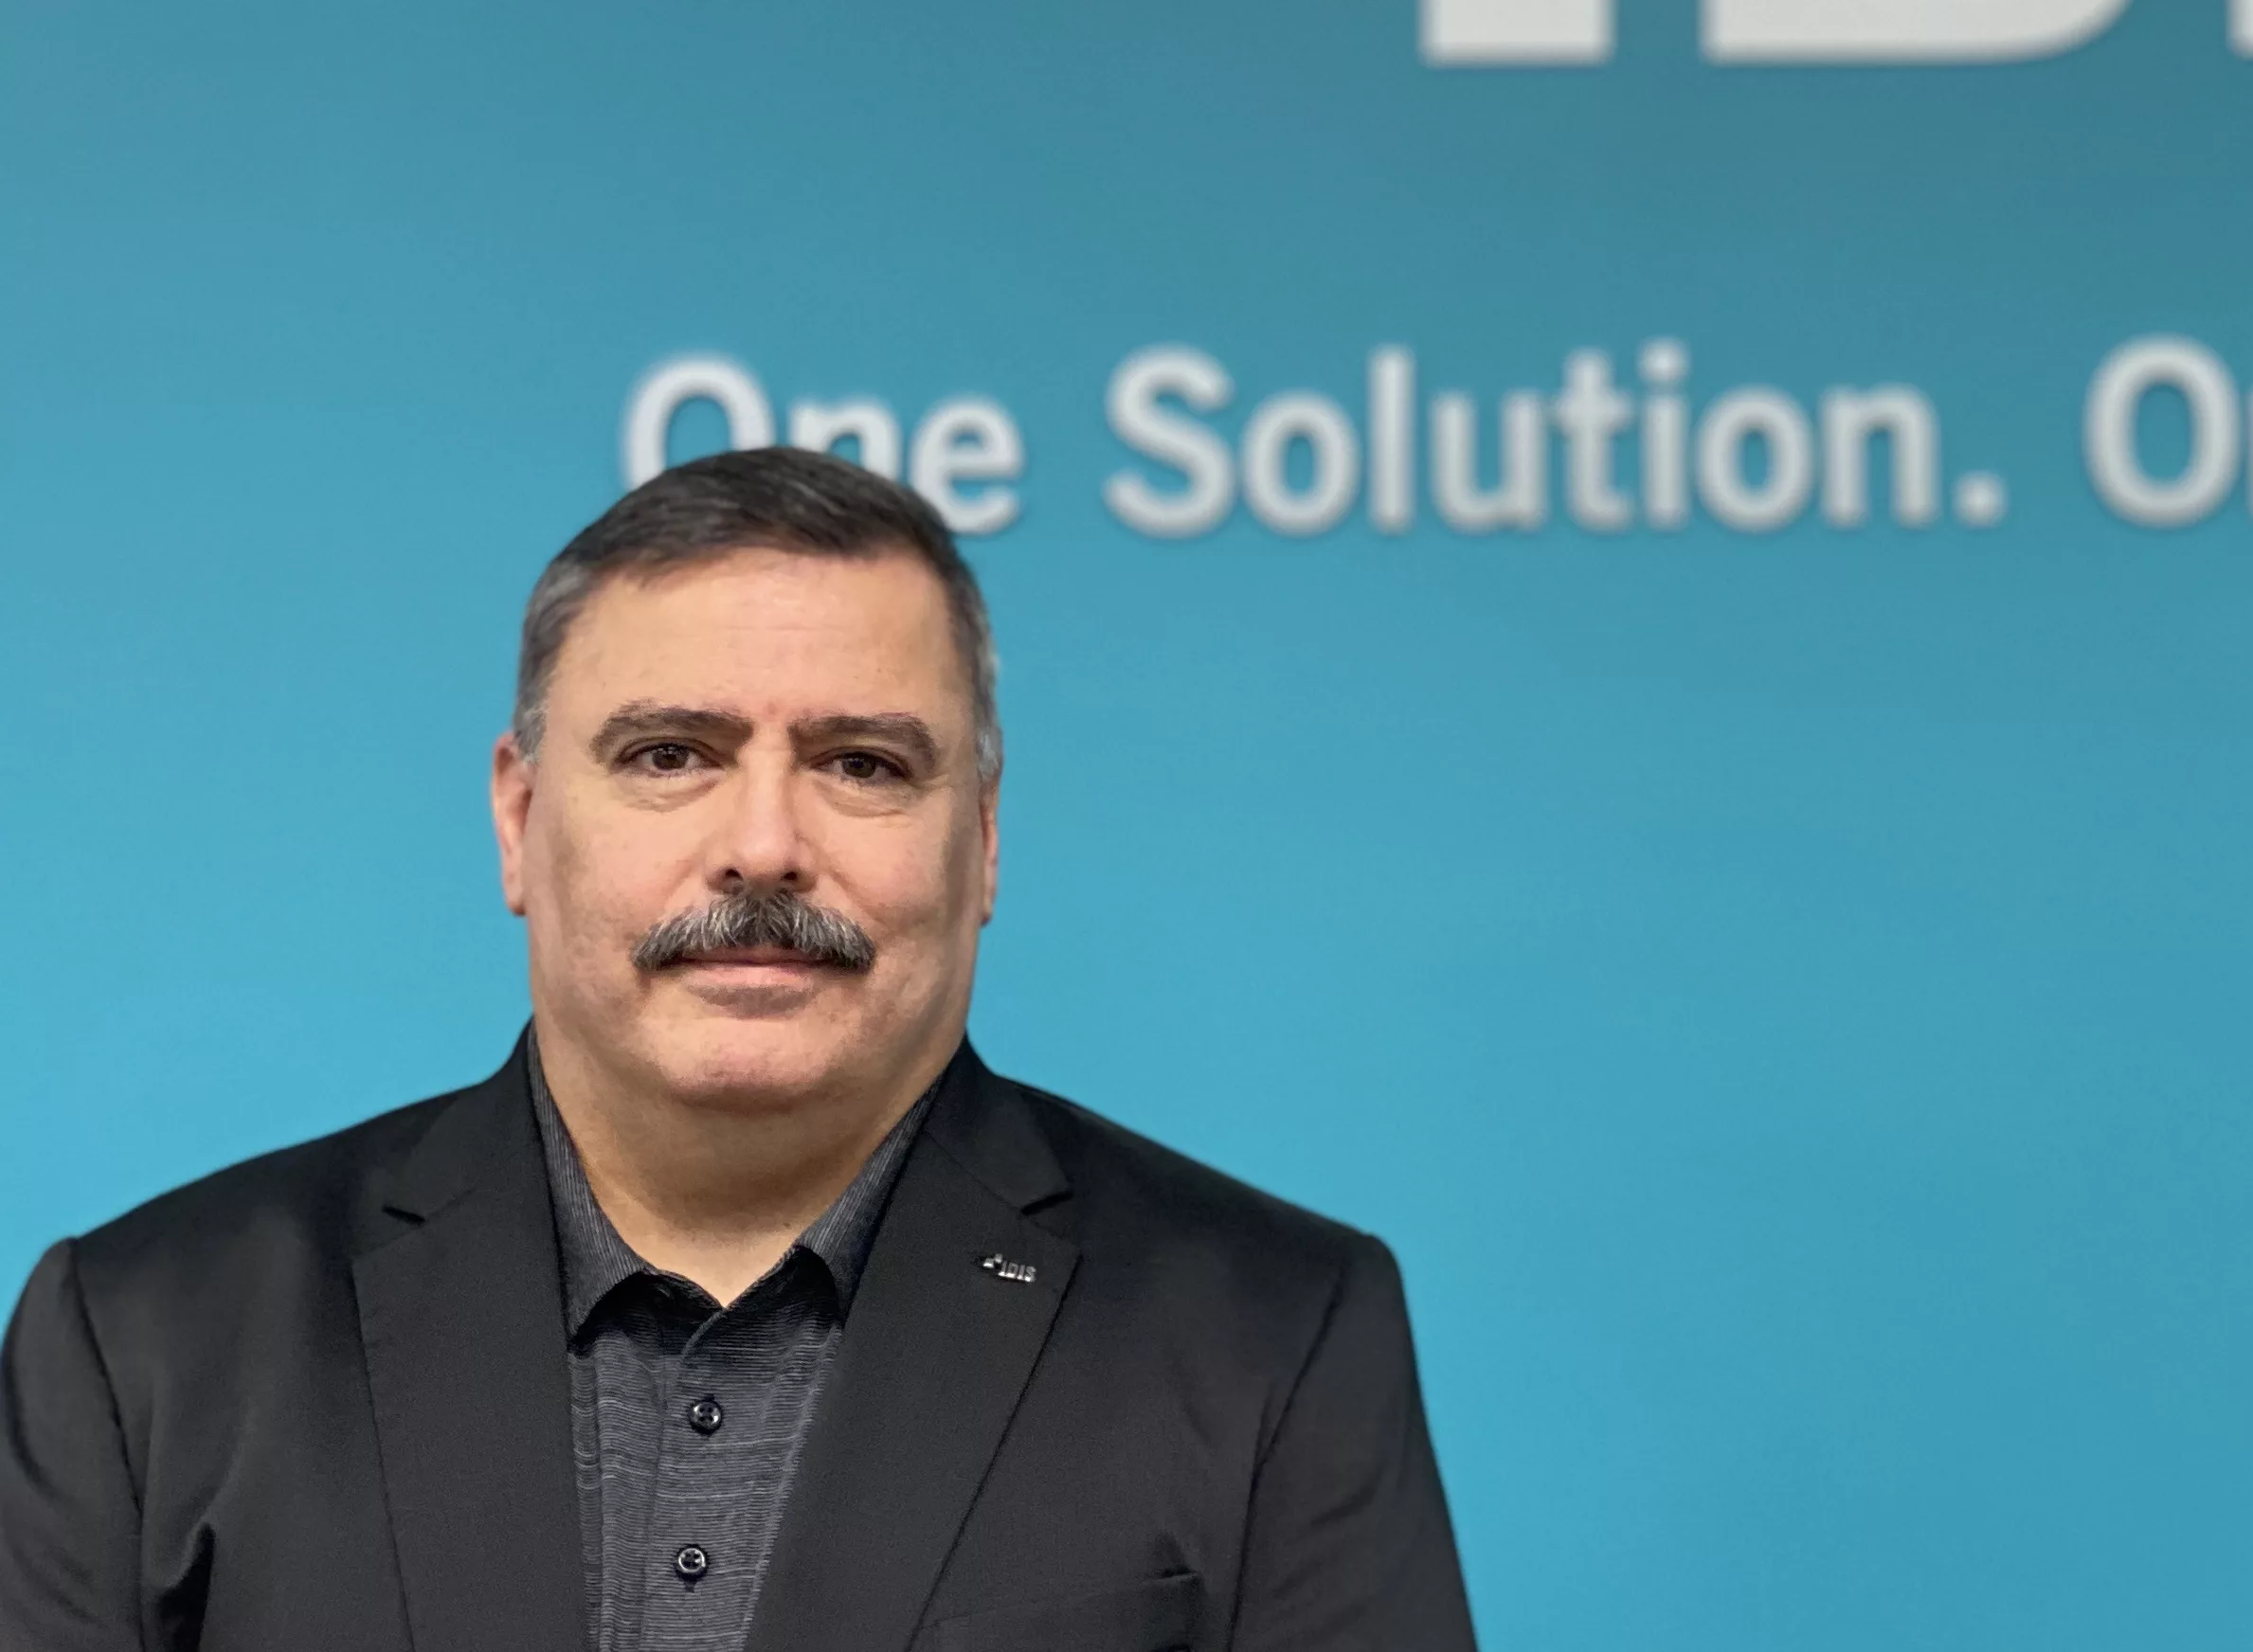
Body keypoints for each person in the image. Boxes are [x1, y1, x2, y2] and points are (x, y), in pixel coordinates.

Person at [0, 447, 1475, 1652]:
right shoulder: (142, 1345)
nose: (764, 845)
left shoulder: (1276, 1336)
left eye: (862, 764)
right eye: (670, 755)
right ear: (519, 818)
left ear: (982, 840)